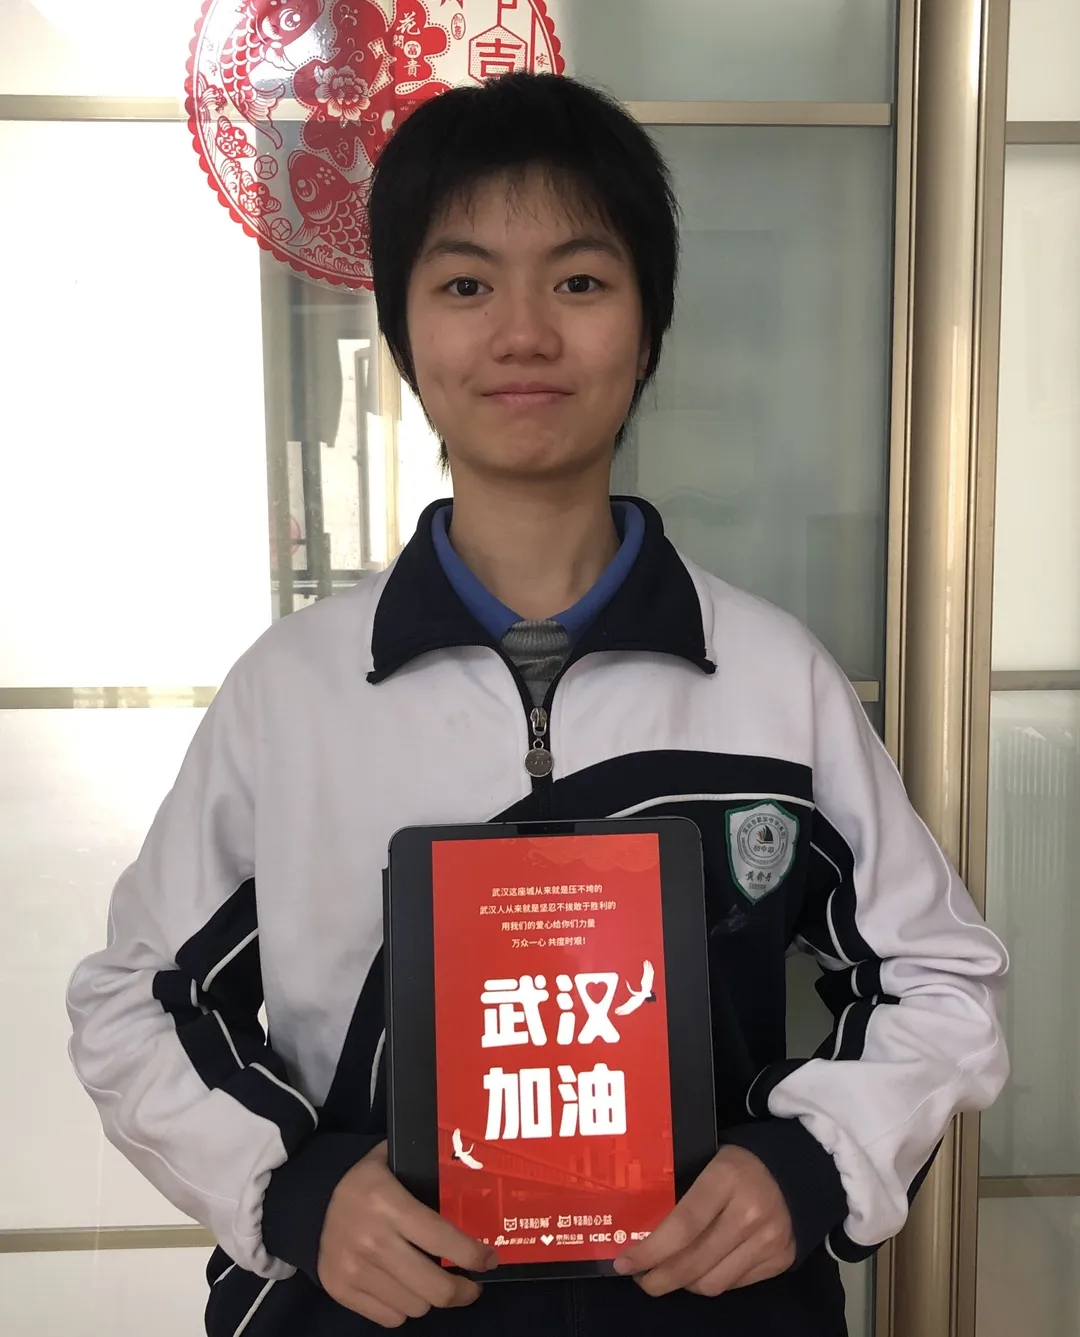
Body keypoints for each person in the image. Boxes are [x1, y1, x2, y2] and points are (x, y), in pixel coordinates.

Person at [67, 72, 1008, 1337]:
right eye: (465, 285)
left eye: (579, 280)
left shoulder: (773, 679)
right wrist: (295, 1190)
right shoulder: (292, 695)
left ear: (647, 324)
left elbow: (940, 976)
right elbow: (138, 1002)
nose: (522, 334)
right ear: (403, 332)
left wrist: (811, 1162)